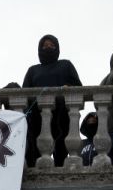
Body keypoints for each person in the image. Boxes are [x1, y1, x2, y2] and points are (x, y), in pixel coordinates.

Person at [22, 34, 82, 167]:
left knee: (61, 148)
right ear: (39, 49)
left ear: (57, 48)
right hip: (38, 117)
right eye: (45, 46)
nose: (48, 47)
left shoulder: (66, 65)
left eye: (51, 45)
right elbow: (23, 94)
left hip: (62, 115)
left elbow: (79, 88)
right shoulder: (33, 70)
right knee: (37, 148)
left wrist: (69, 88)